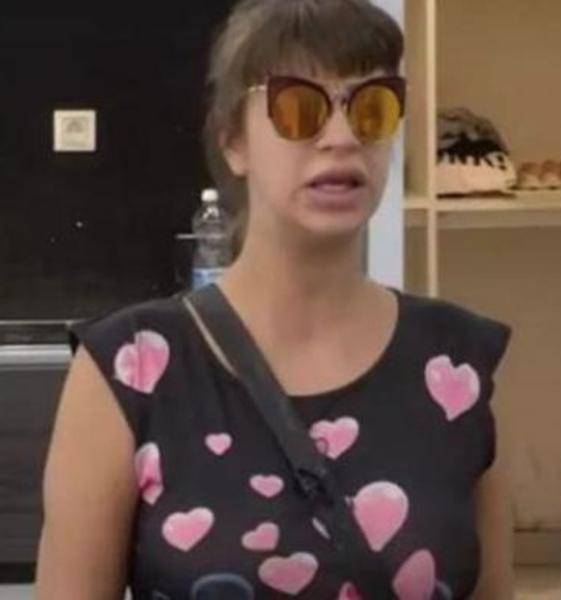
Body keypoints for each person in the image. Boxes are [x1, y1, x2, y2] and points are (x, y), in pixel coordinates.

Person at [36, 0, 513, 598]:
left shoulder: (457, 363)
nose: (341, 137)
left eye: (372, 108)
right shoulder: (131, 369)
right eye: (299, 109)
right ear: (233, 141)